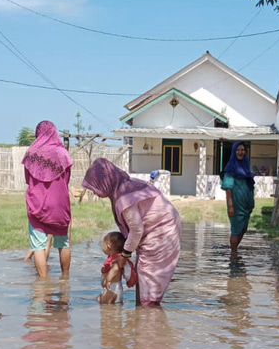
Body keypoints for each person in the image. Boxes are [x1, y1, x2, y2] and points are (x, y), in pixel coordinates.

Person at [82, 158, 181, 307]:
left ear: (105, 181)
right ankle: (142, 314)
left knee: (148, 285)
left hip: (161, 233)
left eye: (96, 186)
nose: (95, 191)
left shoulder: (123, 196)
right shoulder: (124, 188)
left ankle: (149, 319)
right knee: (144, 279)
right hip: (161, 229)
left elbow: (136, 229)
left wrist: (123, 257)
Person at [23, 121, 73, 278]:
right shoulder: (63, 154)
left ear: (38, 134)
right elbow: (67, 180)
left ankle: (43, 283)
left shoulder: (31, 154)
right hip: (60, 204)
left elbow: (28, 180)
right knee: (63, 243)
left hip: (37, 203)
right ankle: (65, 280)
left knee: (38, 246)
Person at [221, 142, 255, 256]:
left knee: (243, 229)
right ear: (234, 152)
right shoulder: (230, 169)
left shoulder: (245, 166)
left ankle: (235, 252)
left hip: (246, 206)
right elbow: (228, 188)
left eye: (243, 150)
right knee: (236, 230)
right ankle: (233, 254)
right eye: (238, 150)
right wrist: (230, 206)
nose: (241, 152)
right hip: (236, 206)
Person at [98, 232, 137, 304]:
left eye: (103, 245)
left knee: (106, 310)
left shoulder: (117, 260)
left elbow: (115, 269)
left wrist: (108, 280)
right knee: (107, 305)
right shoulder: (115, 258)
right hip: (113, 289)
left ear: (108, 246)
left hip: (113, 289)